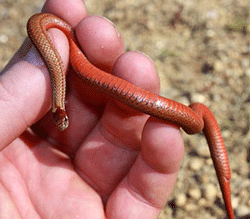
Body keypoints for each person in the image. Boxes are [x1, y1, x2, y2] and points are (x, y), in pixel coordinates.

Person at [0, 0, 184, 218]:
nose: (63, 125)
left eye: (63, 120)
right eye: (62, 120)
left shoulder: (58, 96)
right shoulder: (58, 96)